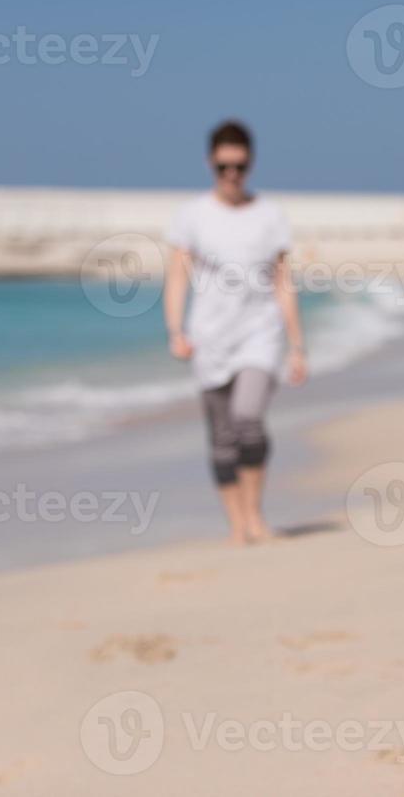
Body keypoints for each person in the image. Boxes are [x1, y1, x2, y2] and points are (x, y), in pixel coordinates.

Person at [163, 120, 307, 545]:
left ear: (250, 163)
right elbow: (176, 277)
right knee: (222, 438)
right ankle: (238, 525)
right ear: (211, 162)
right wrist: (175, 330)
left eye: (239, 166)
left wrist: (297, 346)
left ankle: (257, 517)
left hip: (260, 334)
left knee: (248, 418)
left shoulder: (271, 216)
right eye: (224, 166)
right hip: (209, 337)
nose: (232, 174)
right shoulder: (191, 215)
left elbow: (284, 282)